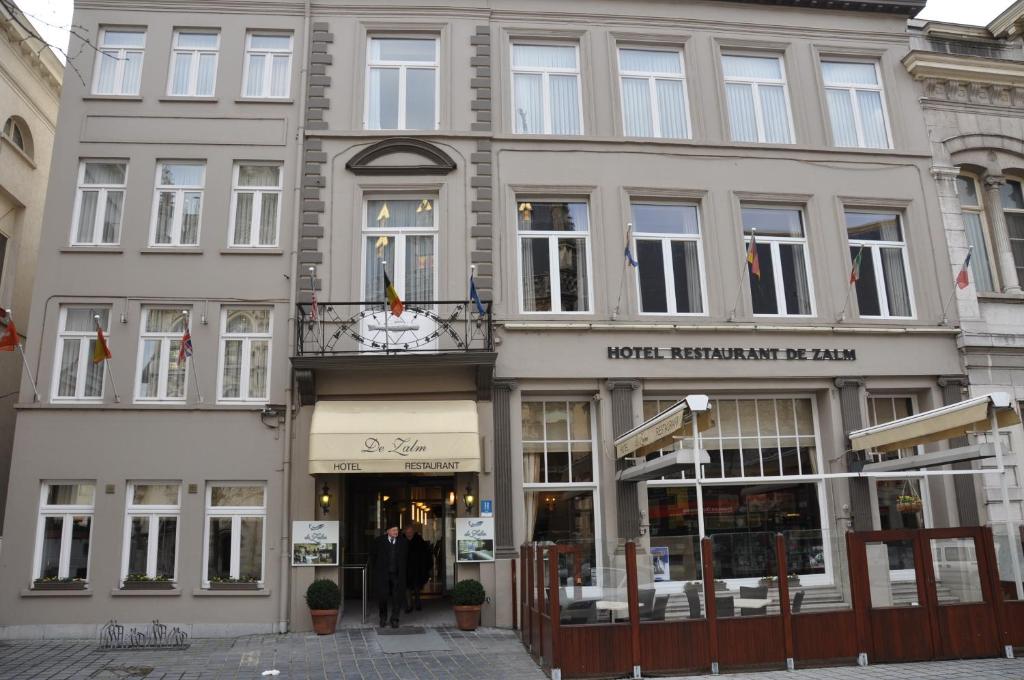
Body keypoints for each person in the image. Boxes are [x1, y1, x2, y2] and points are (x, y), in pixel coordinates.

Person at [370, 526, 407, 628]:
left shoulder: (403, 542)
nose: (396, 532)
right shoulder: (379, 541)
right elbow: (373, 556)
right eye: (394, 530)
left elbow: (406, 558)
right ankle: (383, 617)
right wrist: (378, 569)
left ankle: (395, 619)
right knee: (382, 596)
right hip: (383, 574)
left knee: (397, 597)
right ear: (388, 531)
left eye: (397, 530)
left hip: (397, 574)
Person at [403, 524, 433, 612]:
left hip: (417, 568)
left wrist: (427, 567)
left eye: (411, 532)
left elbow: (426, 554)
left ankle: (417, 603)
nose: (409, 534)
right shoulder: (401, 541)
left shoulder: (419, 541)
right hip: (405, 569)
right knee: (407, 587)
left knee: (417, 587)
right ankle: (409, 606)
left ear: (413, 532)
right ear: (405, 532)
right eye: (407, 532)